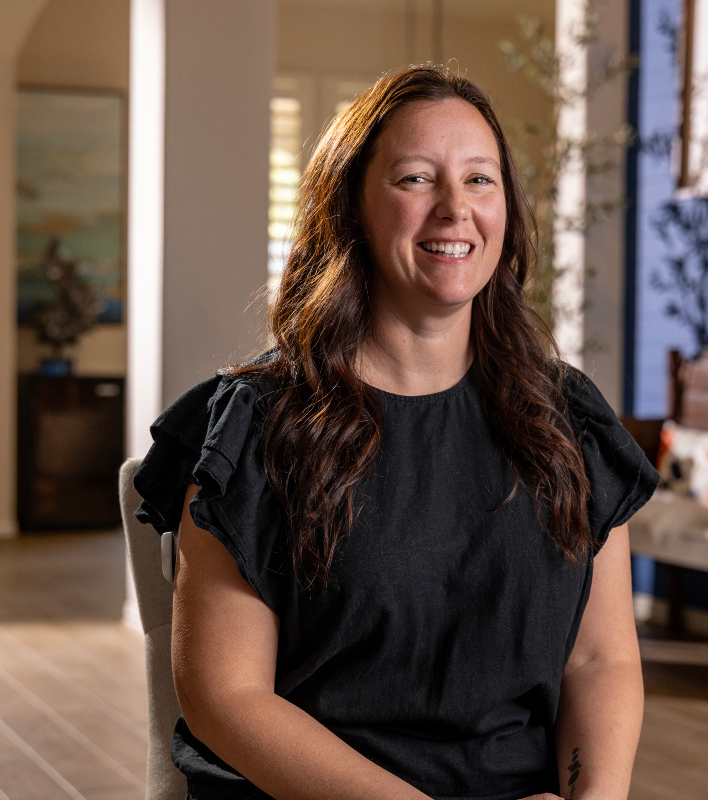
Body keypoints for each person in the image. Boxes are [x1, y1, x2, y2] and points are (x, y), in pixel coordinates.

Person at [134, 63, 659, 800]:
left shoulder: (565, 418)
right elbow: (226, 700)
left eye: (481, 179)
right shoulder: (259, 424)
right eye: (415, 179)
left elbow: (601, 661)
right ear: (350, 208)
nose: (455, 209)